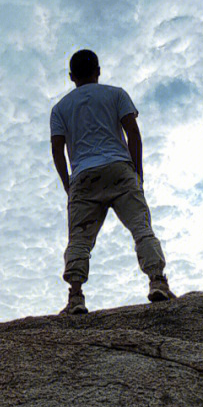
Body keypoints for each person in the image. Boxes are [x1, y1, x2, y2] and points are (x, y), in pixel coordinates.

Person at [49, 49, 173, 315]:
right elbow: (133, 134)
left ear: (71, 76)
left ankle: (76, 297)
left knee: (79, 240)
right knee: (141, 228)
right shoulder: (116, 94)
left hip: (83, 176)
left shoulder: (60, 108)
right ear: (99, 71)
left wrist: (68, 185)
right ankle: (157, 281)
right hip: (119, 169)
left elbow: (57, 150)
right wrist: (137, 173)